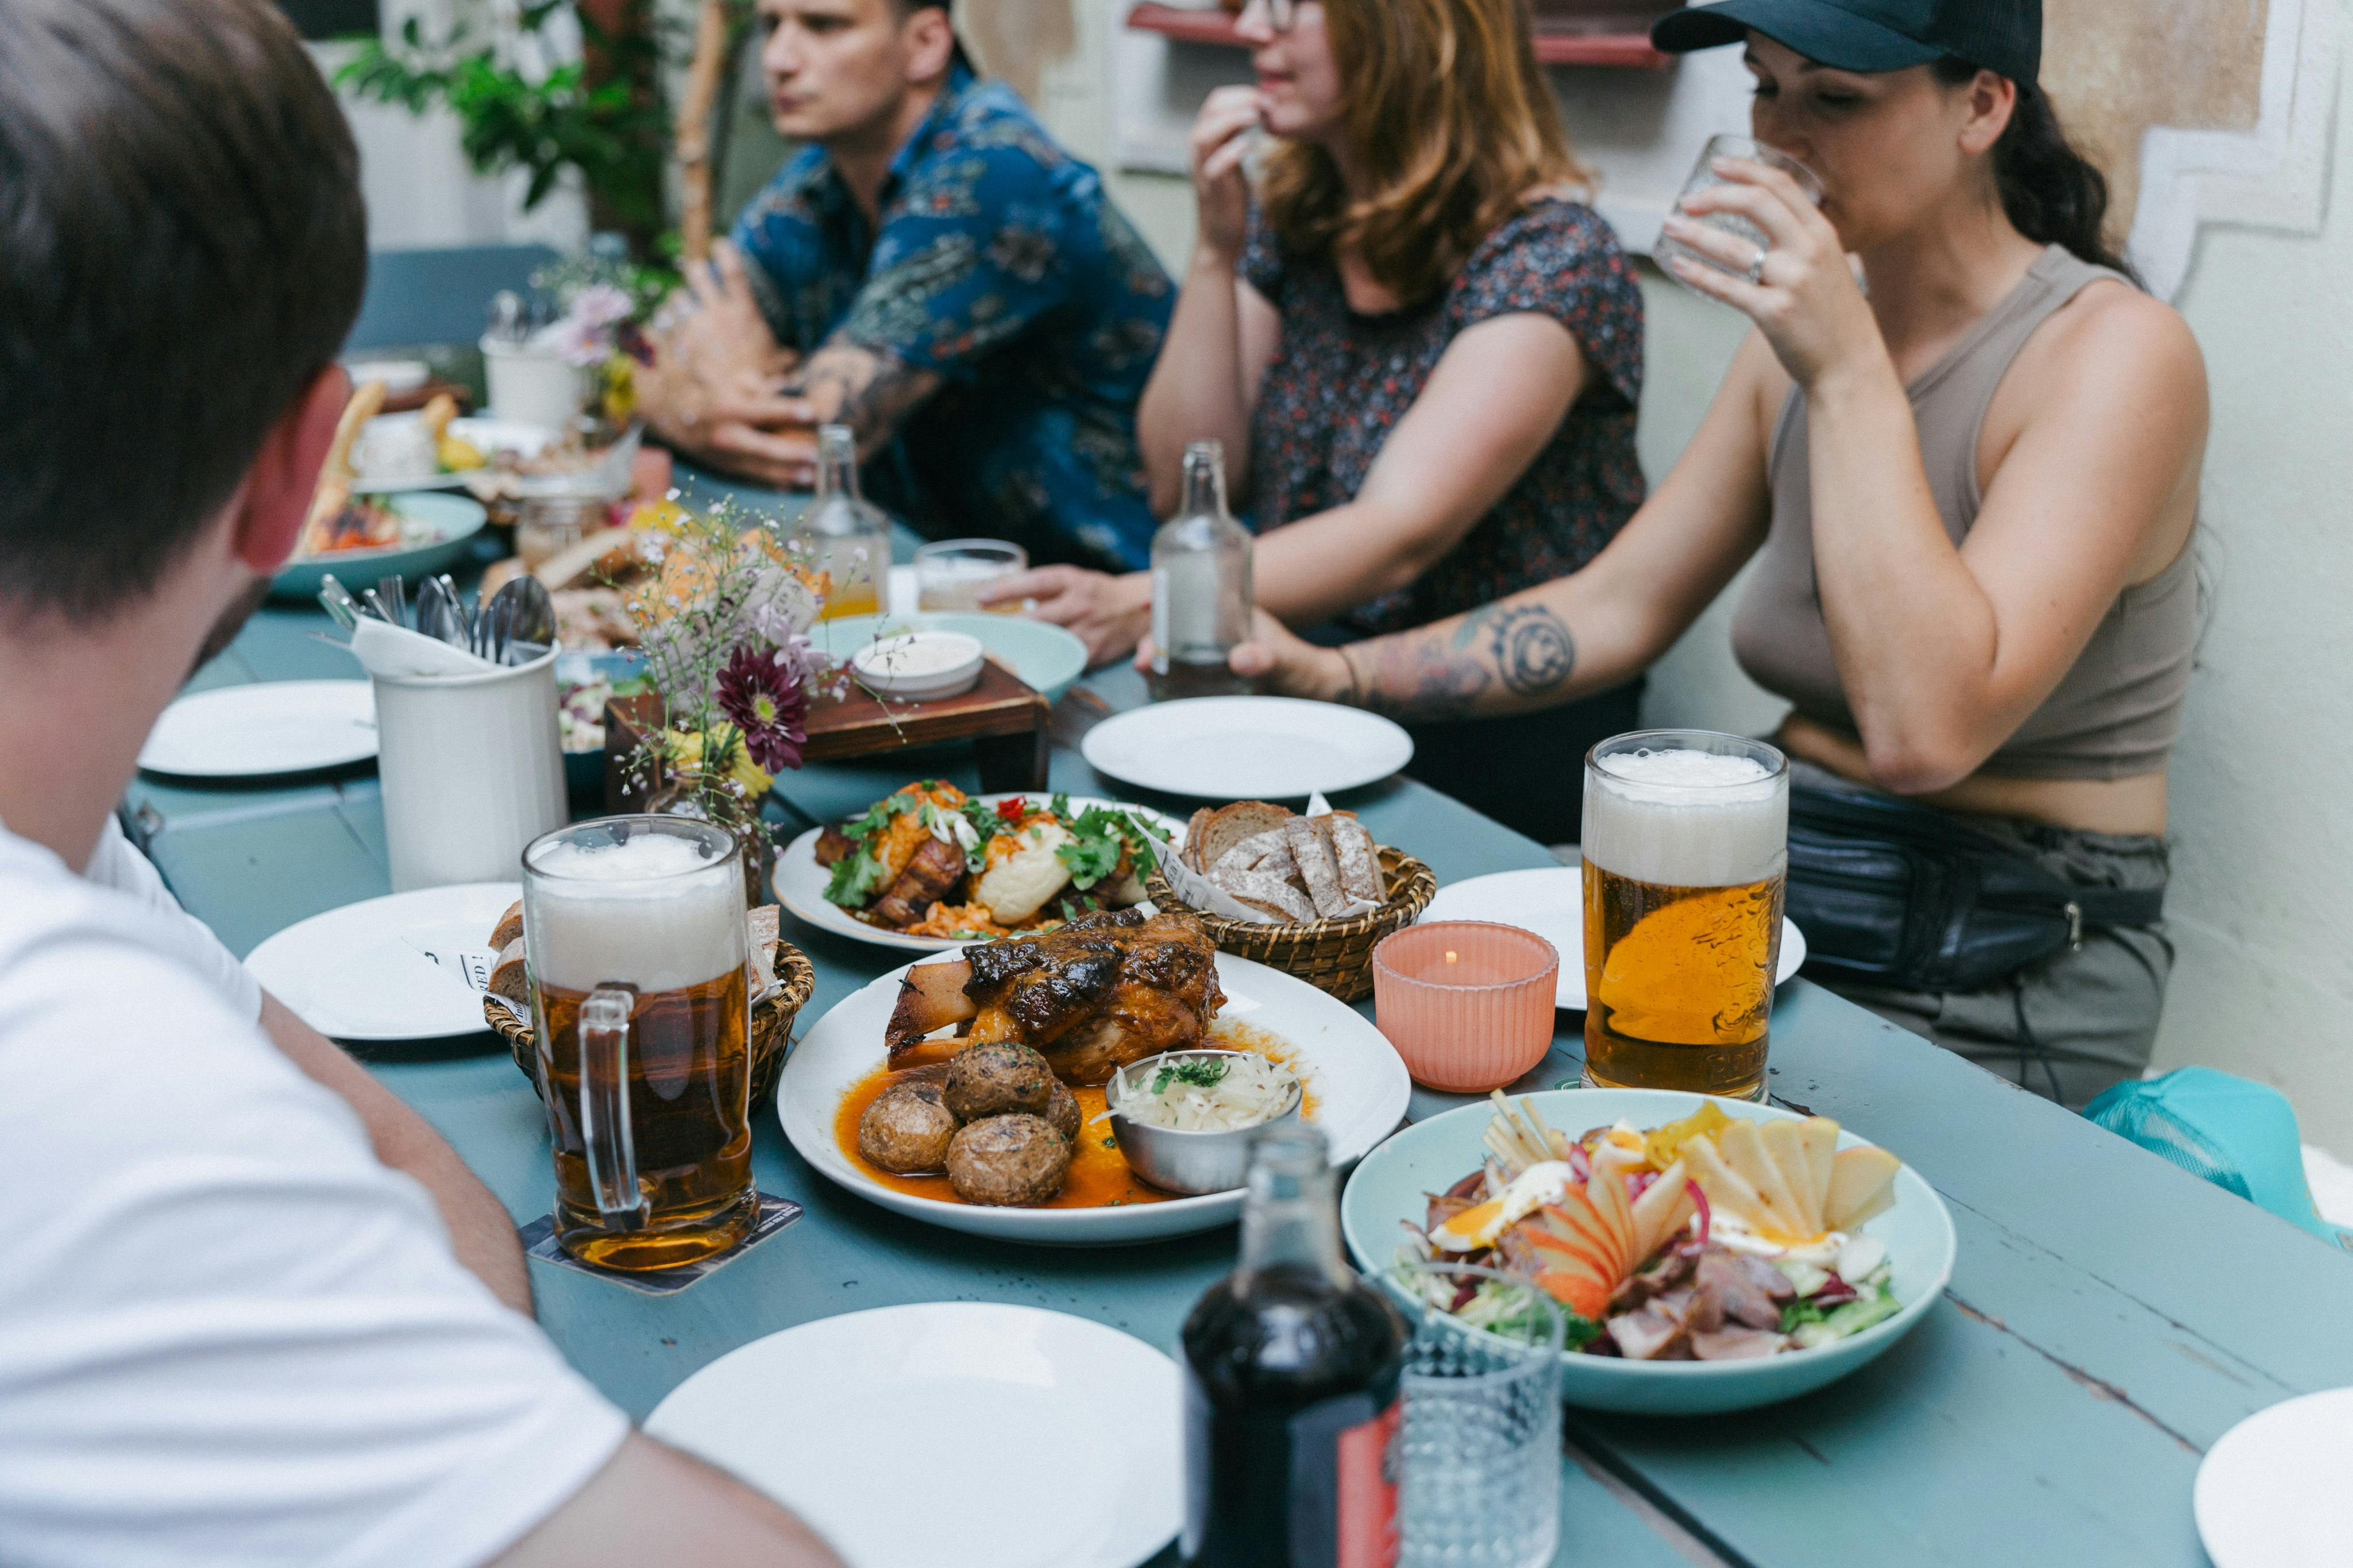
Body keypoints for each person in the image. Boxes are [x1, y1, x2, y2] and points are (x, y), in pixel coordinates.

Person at [0, 3, 842, 1562]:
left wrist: (452, 1423)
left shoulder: (69, 873)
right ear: (300, 470)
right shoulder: (65, 1062)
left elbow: (383, 1136)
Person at [1220, 0, 2207, 1107]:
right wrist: (1341, 676)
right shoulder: (1801, 344)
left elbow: (1926, 735)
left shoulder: (2114, 351)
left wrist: (1844, 366)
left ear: (1981, 104)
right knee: (1410, 1042)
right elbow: (1621, 605)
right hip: (1785, 879)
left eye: (1835, 98)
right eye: (1763, 88)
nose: (1784, 140)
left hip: (2004, 942)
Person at [992, 0, 1649, 842]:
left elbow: (1398, 532)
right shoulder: (1304, 220)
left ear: (1410, 27)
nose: (1256, 28)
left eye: (1292, 5)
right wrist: (1214, 249)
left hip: (1484, 722)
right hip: (1302, 685)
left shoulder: (1556, 258)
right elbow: (1184, 481)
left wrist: (1147, 600)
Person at [637, 0, 1174, 571]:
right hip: (944, 571)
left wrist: (693, 392)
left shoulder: (993, 173)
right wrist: (689, 396)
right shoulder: (821, 179)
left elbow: (809, 445)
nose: (778, 59)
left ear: (925, 44)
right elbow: (643, 359)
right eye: (772, 26)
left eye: (824, 25)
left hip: (1117, 598)